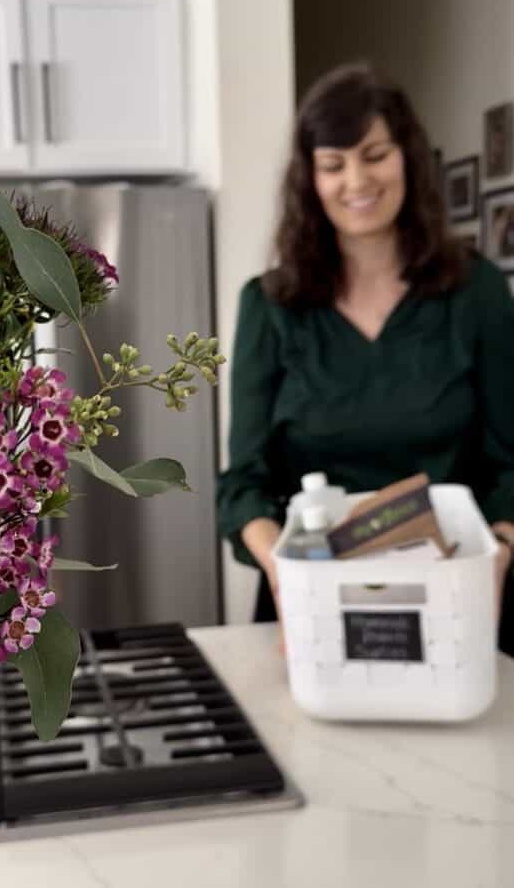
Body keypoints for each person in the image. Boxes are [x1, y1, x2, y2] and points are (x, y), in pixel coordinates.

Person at [216, 63, 514, 655]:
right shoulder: (270, 306)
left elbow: (511, 460)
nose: (357, 179)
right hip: (313, 598)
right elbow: (242, 485)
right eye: (333, 164)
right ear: (311, 179)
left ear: (408, 157)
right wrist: (282, 570)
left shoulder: (475, 291)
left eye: (374, 154)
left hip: (457, 595)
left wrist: (499, 555)